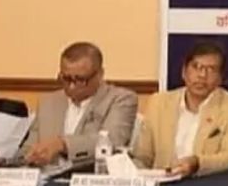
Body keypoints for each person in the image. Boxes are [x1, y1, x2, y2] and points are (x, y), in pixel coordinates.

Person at [132, 40, 228, 177]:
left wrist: (197, 163)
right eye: (196, 67)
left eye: (211, 69)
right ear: (184, 72)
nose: (202, 75)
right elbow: (142, 156)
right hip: (162, 184)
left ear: (220, 78)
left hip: (208, 185)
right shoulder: (159, 103)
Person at [18, 42, 138, 172]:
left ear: (100, 74)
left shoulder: (120, 99)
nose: (71, 86)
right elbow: (28, 149)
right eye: (66, 78)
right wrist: (22, 158)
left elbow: (112, 141)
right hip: (46, 178)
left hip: (91, 178)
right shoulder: (48, 102)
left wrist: (63, 144)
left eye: (80, 80)